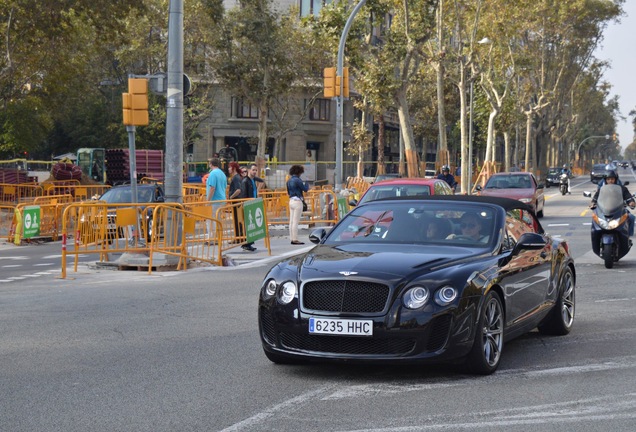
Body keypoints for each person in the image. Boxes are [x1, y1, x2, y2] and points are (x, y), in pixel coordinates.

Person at [590, 170, 635, 236]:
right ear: (605, 180)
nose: (610, 181)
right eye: (608, 179)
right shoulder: (601, 189)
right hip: (604, 212)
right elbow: (595, 199)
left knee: (631, 217)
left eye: (612, 179)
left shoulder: (622, 189)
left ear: (615, 179)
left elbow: (629, 197)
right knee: (595, 221)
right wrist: (592, 203)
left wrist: (631, 202)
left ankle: (628, 236)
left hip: (620, 210)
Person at [205, 158, 228, 244]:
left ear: (211, 164)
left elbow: (212, 188)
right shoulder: (222, 174)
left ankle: (211, 238)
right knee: (217, 219)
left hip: (214, 200)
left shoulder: (213, 174)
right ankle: (218, 237)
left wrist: (208, 201)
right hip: (222, 199)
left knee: (210, 219)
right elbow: (225, 186)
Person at [238, 163, 259, 252]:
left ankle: (249, 243)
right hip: (248, 205)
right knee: (247, 225)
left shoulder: (252, 180)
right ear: (249, 170)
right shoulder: (245, 181)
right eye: (253, 170)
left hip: (252, 204)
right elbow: (244, 194)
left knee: (251, 225)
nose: (254, 172)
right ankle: (246, 243)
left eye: (256, 170)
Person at [287, 164, 309, 245]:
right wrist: (306, 183)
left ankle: (291, 237)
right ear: (299, 172)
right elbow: (305, 189)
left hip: (291, 201)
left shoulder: (289, 181)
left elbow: (288, 192)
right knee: (296, 221)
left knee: (291, 221)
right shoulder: (298, 180)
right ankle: (295, 239)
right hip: (297, 201)